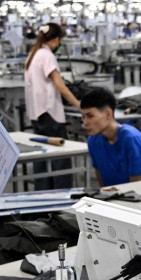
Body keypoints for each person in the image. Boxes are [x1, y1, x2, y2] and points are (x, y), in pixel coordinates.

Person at [24, 23, 80, 189]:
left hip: (37, 113)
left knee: (42, 158)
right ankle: (63, 196)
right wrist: (79, 105)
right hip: (50, 114)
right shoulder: (47, 56)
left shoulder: (33, 54)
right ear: (56, 40)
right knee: (60, 160)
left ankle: (42, 195)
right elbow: (60, 86)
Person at [80, 88, 141, 186]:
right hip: (116, 194)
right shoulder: (93, 141)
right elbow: (102, 180)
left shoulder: (131, 139)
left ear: (108, 114)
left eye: (90, 116)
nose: (85, 123)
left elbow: (139, 186)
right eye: (83, 117)